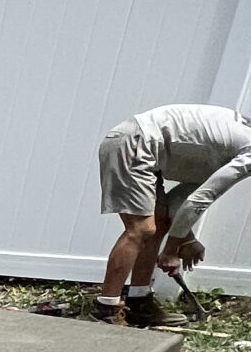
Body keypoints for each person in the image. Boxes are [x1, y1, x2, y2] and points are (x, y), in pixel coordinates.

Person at [93, 103, 251, 325]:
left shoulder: (233, 146)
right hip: (134, 142)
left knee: (159, 222)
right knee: (140, 230)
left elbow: (180, 202)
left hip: (145, 148)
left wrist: (187, 241)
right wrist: (170, 251)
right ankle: (106, 310)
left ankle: (139, 304)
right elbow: (198, 200)